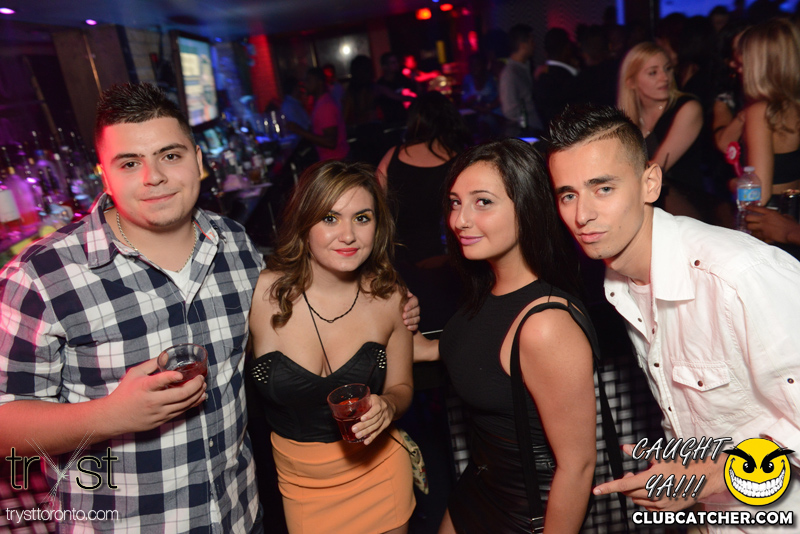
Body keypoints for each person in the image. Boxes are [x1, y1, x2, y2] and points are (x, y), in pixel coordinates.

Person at [0, 82, 265, 532]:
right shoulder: (39, 277)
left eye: (170, 155)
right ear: (104, 176)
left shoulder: (236, 245)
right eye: (129, 163)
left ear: (199, 160)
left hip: (239, 515)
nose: (153, 177)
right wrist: (110, 416)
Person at [548, 104, 800, 528]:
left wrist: (713, 476)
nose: (581, 214)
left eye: (603, 188)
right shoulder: (622, 283)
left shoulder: (736, 276)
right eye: (568, 194)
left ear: (650, 183)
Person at [415, 139, 597, 533]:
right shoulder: (488, 291)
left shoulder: (546, 325)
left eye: (482, 202)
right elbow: (485, 353)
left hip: (527, 512)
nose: (459, 220)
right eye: (455, 202)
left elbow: (578, 466)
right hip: (478, 489)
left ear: (528, 207)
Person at [246, 160, 415, 533]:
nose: (348, 235)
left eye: (362, 218)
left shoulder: (391, 298)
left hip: (380, 474)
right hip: (301, 488)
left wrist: (388, 405)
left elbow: (403, 386)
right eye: (329, 218)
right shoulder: (260, 294)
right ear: (304, 224)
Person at [617, 41, 712, 223]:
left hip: (688, 213)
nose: (665, 78)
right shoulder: (626, 122)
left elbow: (656, 167)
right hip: (649, 213)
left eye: (667, 69)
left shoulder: (687, 108)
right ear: (631, 82)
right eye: (653, 72)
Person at [377, 91, 471, 265]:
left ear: (415, 120)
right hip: (442, 255)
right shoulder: (459, 162)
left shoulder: (393, 154)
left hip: (398, 253)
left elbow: (376, 203)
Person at [739, 18, 800, 206]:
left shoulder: (762, 111)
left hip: (774, 213)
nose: (740, 67)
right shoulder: (793, 105)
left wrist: (733, 184)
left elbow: (759, 194)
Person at [286, 67, 349, 161]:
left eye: (309, 80)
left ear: (319, 82)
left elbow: (331, 142)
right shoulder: (321, 102)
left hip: (337, 160)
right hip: (333, 160)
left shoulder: (325, 106)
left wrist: (299, 131)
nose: (305, 84)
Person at [499, 24, 543, 136]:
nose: (534, 45)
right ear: (523, 45)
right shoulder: (510, 73)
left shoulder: (525, 67)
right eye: (531, 41)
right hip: (527, 134)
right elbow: (509, 111)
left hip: (534, 129)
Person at [376, 52, 419, 126]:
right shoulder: (381, 84)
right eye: (393, 63)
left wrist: (414, 80)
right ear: (385, 66)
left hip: (406, 119)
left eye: (396, 62)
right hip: (390, 123)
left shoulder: (401, 78)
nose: (396, 64)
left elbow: (416, 91)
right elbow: (396, 97)